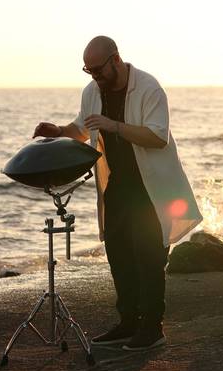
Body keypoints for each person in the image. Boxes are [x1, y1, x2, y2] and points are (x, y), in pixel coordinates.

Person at [33, 36, 202, 351]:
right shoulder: (92, 91)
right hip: (117, 185)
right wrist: (58, 132)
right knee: (119, 255)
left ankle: (152, 328)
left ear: (115, 59)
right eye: (88, 70)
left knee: (149, 257)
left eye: (98, 69)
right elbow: (83, 129)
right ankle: (128, 322)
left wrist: (114, 126)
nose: (94, 76)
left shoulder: (149, 88)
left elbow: (157, 137)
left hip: (149, 188)